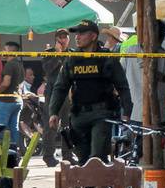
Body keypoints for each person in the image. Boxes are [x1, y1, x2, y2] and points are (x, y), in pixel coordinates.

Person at [46, 21, 132, 163]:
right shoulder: (72, 59)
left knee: (96, 159)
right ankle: (89, 186)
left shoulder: (106, 58)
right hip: (78, 116)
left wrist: (127, 111)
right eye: (76, 33)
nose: (77, 37)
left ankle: (99, 184)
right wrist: (53, 112)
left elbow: (122, 86)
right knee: (83, 161)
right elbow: (60, 87)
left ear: (93, 36)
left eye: (81, 33)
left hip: (102, 114)